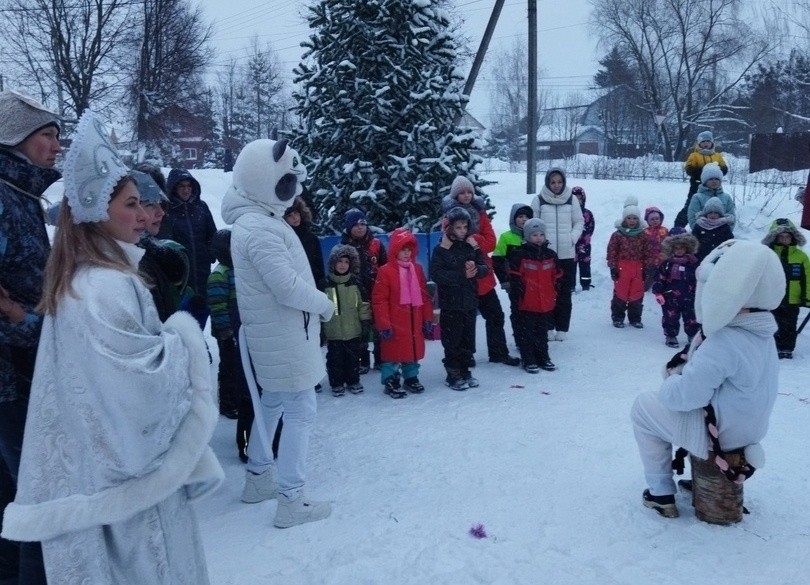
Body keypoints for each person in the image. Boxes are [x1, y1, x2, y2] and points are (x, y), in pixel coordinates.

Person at [1, 111, 223, 583]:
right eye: (130, 205)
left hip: (109, 490)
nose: (144, 215)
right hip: (131, 502)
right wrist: (185, 339)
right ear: (98, 212)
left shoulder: (92, 278)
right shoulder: (107, 287)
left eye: (143, 204)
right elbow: (138, 395)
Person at [220, 138, 334, 528]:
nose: (295, 191)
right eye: (288, 182)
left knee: (271, 403)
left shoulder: (255, 220)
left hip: (276, 334)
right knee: (301, 410)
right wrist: (324, 303)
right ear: (265, 179)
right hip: (284, 335)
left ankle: (258, 478)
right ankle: (291, 498)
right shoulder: (261, 228)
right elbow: (285, 286)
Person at [631, 239, 784, 518]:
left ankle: (660, 492)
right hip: (747, 431)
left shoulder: (725, 340)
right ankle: (705, 480)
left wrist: (670, 379)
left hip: (720, 435)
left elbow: (685, 397)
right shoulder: (762, 334)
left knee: (643, 407)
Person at [0, 89, 61, 585]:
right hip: (9, 377)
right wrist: (23, 319)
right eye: (48, 134)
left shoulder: (20, 193)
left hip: (24, 366)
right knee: (35, 495)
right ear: (16, 139)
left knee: (16, 496)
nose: (56, 146)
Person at [442, 176, 519, 366]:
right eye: (462, 192)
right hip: (462, 278)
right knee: (465, 320)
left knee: (495, 315)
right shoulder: (448, 217)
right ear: (455, 195)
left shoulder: (480, 213)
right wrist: (472, 245)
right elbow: (451, 244)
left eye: (469, 191)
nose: (467, 195)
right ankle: (466, 356)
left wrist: (474, 240)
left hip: (482, 276)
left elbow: (491, 241)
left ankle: (498, 352)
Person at [429, 207, 489, 391]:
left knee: (467, 340)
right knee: (452, 340)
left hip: (469, 302)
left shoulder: (472, 245)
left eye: (465, 226)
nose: (462, 231)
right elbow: (436, 274)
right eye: (458, 227)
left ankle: (465, 370)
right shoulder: (442, 249)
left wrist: (476, 270)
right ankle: (452, 373)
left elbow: (484, 267)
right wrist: (462, 274)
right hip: (451, 303)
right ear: (450, 229)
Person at [372, 228, 433, 398]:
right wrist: (384, 324)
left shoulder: (417, 269)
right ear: (394, 251)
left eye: (409, 250)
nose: (406, 254)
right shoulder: (386, 271)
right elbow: (379, 300)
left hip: (414, 320)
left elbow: (424, 296)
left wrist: (427, 317)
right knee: (393, 354)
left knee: (411, 351)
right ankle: (390, 380)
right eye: (402, 250)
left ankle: (411, 377)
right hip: (395, 321)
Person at [530, 168, 584, 340]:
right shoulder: (538, 200)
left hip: (566, 255)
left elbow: (579, 221)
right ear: (547, 182)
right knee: (546, 292)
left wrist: (572, 238)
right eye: (553, 182)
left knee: (564, 293)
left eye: (559, 182)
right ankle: (547, 327)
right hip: (545, 256)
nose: (556, 185)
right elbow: (533, 224)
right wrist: (539, 243)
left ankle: (562, 328)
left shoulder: (572, 199)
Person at [506, 219, 560, 373]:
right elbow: (515, 277)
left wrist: (555, 290)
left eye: (541, 234)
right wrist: (519, 294)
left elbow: (557, 276)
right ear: (527, 236)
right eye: (535, 235)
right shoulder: (519, 255)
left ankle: (543, 357)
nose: (539, 238)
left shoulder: (550, 254)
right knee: (527, 333)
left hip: (545, 303)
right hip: (527, 303)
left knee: (542, 333)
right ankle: (528, 359)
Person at [160, 168, 218, 303]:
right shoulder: (166, 210)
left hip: (202, 270)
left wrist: (210, 254)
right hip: (180, 273)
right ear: (173, 188)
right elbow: (164, 241)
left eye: (189, 186)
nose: (186, 190)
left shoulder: (201, 207)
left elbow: (212, 234)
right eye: (181, 186)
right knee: (183, 311)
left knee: (202, 308)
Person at [341, 207, 387, 373]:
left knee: (378, 328)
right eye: (355, 224)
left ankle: (381, 358)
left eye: (363, 223)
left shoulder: (376, 244)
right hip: (355, 295)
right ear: (349, 227)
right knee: (360, 329)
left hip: (377, 293)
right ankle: (363, 359)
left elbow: (385, 266)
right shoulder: (344, 247)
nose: (360, 227)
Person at [322, 244, 371, 396]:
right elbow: (320, 308)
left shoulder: (355, 282)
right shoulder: (325, 283)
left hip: (353, 330)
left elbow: (363, 305)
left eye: (346, 262)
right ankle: (336, 383)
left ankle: (353, 381)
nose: (343, 265)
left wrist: (365, 323)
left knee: (353, 358)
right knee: (335, 359)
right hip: (333, 331)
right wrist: (321, 329)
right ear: (333, 263)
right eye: (339, 261)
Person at [762, 218, 810, 359]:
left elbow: (808, 277)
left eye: (787, 236)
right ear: (774, 237)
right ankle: (772, 347)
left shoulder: (801, 257)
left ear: (793, 237)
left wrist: (807, 297)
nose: (784, 239)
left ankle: (787, 348)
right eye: (781, 236)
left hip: (792, 298)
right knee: (771, 324)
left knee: (789, 325)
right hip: (771, 298)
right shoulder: (768, 255)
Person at [207, 229, 242, 419]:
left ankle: (238, 397)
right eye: (230, 247)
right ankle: (227, 403)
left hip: (240, 329)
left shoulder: (240, 270)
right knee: (229, 366)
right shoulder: (219, 274)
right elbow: (217, 306)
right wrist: (226, 332)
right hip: (226, 331)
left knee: (240, 365)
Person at [607, 196, 655, 328]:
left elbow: (648, 253)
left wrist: (648, 268)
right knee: (620, 293)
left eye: (635, 218)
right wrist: (613, 267)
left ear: (639, 220)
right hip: (622, 269)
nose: (632, 221)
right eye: (629, 218)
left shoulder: (643, 236)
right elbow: (611, 252)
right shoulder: (617, 235)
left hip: (638, 269)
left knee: (637, 294)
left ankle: (635, 318)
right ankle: (618, 317)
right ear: (624, 219)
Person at [651, 227, 700, 348]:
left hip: (690, 297)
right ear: (671, 248)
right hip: (670, 298)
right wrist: (658, 292)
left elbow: (699, 278)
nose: (679, 251)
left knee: (691, 318)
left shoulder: (693, 263)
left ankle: (692, 335)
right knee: (670, 318)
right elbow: (660, 278)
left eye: (681, 247)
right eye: (676, 248)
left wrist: (700, 291)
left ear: (687, 247)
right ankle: (671, 335)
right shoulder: (667, 263)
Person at [492, 204, 534, 346]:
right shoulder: (506, 237)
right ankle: (520, 338)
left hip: (533, 283)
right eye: (520, 216)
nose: (524, 220)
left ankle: (533, 337)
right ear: (513, 219)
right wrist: (504, 281)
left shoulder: (534, 236)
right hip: (514, 283)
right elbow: (497, 261)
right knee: (517, 311)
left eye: (527, 217)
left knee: (533, 311)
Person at [675, 130, 728, 228]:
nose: (705, 143)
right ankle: (679, 227)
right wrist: (703, 173)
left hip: (714, 186)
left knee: (715, 206)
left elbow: (724, 168)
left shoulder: (717, 156)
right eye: (703, 142)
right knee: (691, 205)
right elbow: (689, 168)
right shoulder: (694, 155)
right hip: (697, 185)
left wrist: (717, 171)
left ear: (712, 142)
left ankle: (716, 226)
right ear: (699, 143)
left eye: (708, 141)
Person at [284, 196, 325, 286]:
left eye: (295, 213)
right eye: (289, 215)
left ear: (301, 213)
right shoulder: (284, 239)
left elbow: (319, 267)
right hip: (294, 285)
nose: (294, 217)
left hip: (314, 284)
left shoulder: (312, 238)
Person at [686, 162, 735, 231]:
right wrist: (701, 233)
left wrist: (725, 232)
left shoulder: (726, 198)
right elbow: (692, 219)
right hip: (702, 236)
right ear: (705, 181)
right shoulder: (697, 197)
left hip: (723, 235)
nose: (714, 181)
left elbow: (732, 218)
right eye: (711, 179)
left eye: (717, 179)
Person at [692, 196, 734, 262]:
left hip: (719, 257)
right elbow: (693, 240)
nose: (713, 215)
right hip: (700, 256)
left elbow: (730, 242)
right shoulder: (699, 224)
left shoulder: (724, 226)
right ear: (706, 213)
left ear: (720, 214)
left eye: (716, 213)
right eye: (710, 212)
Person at [572, 186, 594, 291]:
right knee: (570, 267)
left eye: (579, 198)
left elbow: (590, 228)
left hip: (584, 246)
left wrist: (585, 241)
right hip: (571, 245)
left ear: (583, 199)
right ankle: (570, 286)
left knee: (585, 267)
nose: (577, 201)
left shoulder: (587, 214)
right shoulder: (568, 214)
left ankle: (586, 284)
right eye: (574, 198)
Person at [643, 206, 668, 291]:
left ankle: (662, 286)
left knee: (662, 273)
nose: (655, 221)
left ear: (660, 219)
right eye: (652, 219)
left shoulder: (664, 230)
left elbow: (668, 242)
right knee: (649, 274)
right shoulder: (645, 232)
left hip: (662, 258)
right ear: (648, 221)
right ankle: (645, 287)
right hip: (650, 259)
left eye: (657, 218)